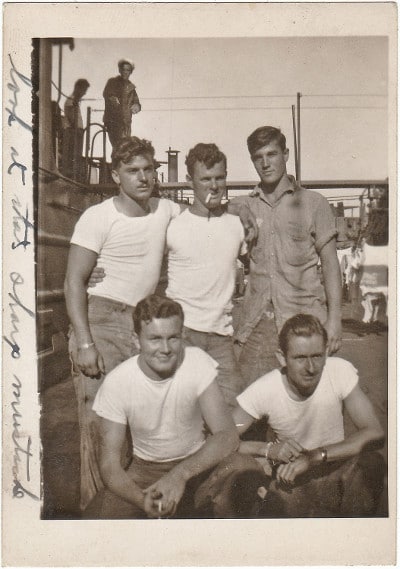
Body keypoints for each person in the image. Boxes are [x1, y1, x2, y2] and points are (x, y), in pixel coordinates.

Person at [64, 136, 181, 510]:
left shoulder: (165, 211)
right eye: (133, 171)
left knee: (139, 428)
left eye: (149, 169)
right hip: (100, 322)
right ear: (116, 175)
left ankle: (129, 515)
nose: (143, 177)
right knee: (102, 432)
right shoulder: (98, 217)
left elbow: (203, 218)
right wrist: (85, 343)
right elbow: (73, 282)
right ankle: (96, 524)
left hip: (139, 328)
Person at [85, 294, 251, 519]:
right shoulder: (118, 381)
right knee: (98, 518)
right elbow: (109, 465)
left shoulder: (196, 361)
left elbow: (227, 435)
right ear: (136, 341)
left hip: (196, 462)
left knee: (245, 471)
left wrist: (179, 476)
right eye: (154, 339)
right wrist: (142, 500)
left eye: (173, 338)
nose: (165, 349)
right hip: (146, 470)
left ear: (182, 336)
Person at [233, 313, 385, 517]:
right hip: (294, 479)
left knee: (371, 463)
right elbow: (221, 440)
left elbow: (375, 432)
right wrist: (267, 449)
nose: (311, 368)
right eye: (300, 358)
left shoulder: (339, 371)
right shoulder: (264, 389)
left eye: (317, 356)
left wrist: (314, 457)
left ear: (326, 353)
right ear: (281, 357)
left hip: (335, 466)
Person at [231, 126, 342, 386]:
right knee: (249, 408)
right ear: (252, 161)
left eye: (272, 154)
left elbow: (330, 265)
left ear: (286, 154)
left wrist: (335, 319)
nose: (266, 163)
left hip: (306, 323)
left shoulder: (314, 203)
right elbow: (209, 209)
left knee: (307, 409)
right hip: (259, 324)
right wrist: (234, 207)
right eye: (258, 157)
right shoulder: (245, 205)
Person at [165, 143, 247, 407]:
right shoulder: (172, 225)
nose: (214, 186)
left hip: (221, 337)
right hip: (183, 334)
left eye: (219, 178)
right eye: (205, 179)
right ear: (190, 181)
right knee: (181, 412)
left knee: (233, 410)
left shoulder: (238, 224)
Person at [103, 59, 141, 149]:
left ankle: (119, 162)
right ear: (120, 70)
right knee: (119, 147)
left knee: (125, 148)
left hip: (126, 123)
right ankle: (116, 162)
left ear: (130, 72)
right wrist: (113, 99)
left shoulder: (131, 88)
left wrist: (137, 106)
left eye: (128, 70)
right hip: (114, 121)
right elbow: (108, 93)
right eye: (123, 70)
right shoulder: (113, 82)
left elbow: (136, 101)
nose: (125, 72)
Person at [61, 78, 90, 180]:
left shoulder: (75, 101)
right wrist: (77, 130)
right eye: (84, 90)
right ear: (78, 88)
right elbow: (72, 118)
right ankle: (72, 176)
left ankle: (75, 175)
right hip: (74, 132)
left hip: (78, 132)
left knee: (77, 156)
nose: (84, 93)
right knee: (73, 156)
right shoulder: (71, 101)